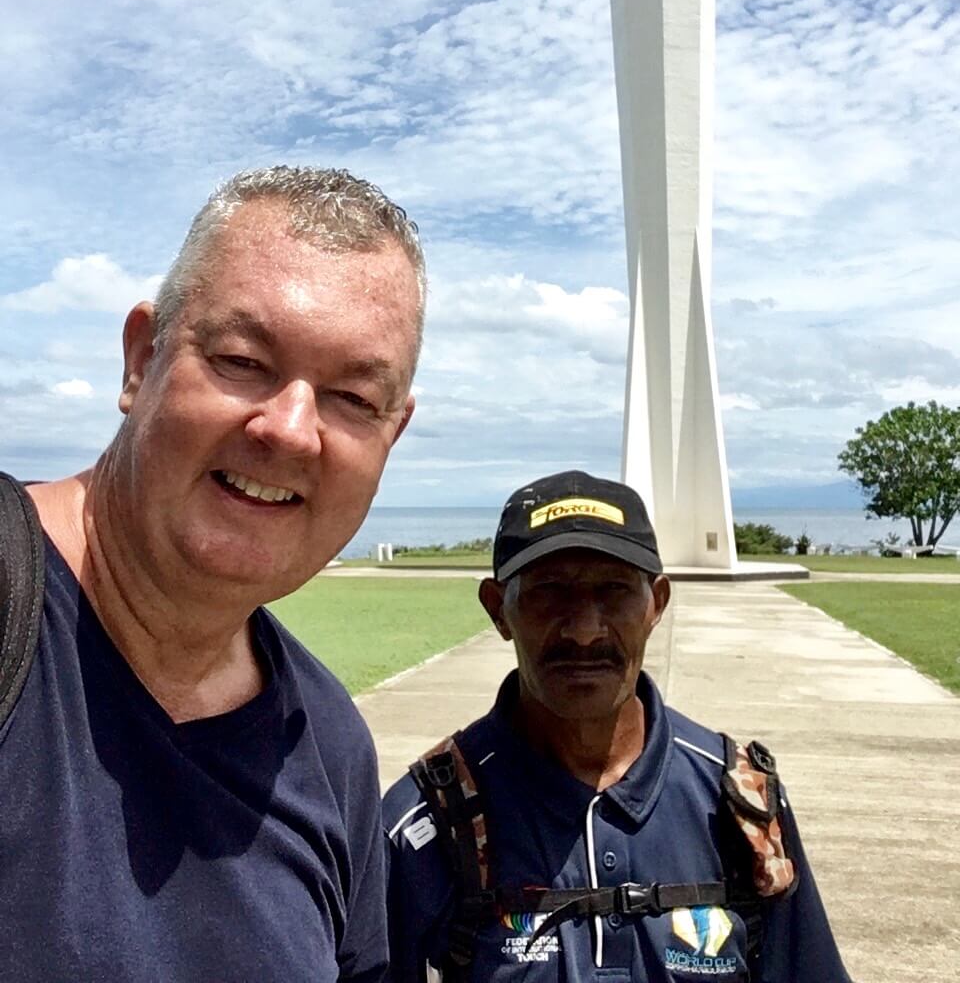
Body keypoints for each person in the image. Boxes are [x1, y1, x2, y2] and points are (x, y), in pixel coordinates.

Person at [1, 165, 425, 982]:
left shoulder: (331, 751)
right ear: (140, 360)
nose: (293, 430)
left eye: (352, 398)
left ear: (392, 434)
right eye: (242, 360)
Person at [384, 470, 851, 982]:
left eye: (614, 591)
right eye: (549, 591)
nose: (585, 630)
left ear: (657, 604)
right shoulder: (427, 821)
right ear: (498, 610)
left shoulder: (742, 805)